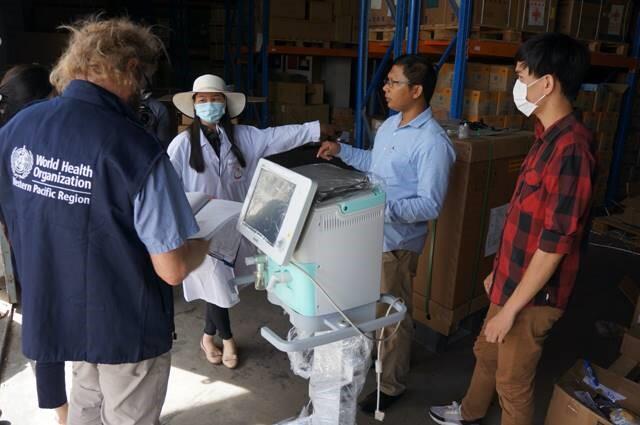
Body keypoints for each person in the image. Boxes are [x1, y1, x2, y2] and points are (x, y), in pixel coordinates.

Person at [0, 17, 210, 425]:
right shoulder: (136, 150)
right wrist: (204, 245)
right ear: (131, 69)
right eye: (143, 78)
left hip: (59, 312)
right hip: (125, 325)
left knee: (86, 402)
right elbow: (172, 269)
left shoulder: (20, 127)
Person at [428, 33, 594, 425]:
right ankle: (469, 413)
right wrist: (499, 272)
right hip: (513, 280)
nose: (517, 85)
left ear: (547, 83)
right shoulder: (545, 137)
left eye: (521, 76)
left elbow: (554, 244)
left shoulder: (571, 149)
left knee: (513, 382)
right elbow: (525, 219)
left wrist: (512, 309)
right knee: (487, 352)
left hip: (534, 298)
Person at [317, 54, 456, 414]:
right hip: (368, 234)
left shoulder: (433, 143)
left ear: (417, 90)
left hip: (396, 245)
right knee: (367, 308)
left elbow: (430, 204)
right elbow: (374, 165)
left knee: (392, 317)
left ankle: (391, 385)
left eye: (393, 82)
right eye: (387, 81)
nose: (385, 87)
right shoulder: (391, 125)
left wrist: (381, 208)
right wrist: (342, 151)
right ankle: (372, 362)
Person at [168, 73, 332, 369]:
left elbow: (278, 136)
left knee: (221, 284)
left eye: (215, 99)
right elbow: (167, 185)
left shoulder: (244, 137)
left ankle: (207, 336)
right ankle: (227, 338)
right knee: (217, 281)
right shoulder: (181, 144)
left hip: (235, 223)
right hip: (200, 227)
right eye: (202, 100)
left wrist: (315, 129)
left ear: (225, 104)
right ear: (193, 105)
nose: (208, 105)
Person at [0, 64, 71, 425]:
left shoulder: (5, 136)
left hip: (27, 252)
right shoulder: (60, 130)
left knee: (43, 329)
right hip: (69, 247)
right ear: (49, 93)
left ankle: (63, 413)